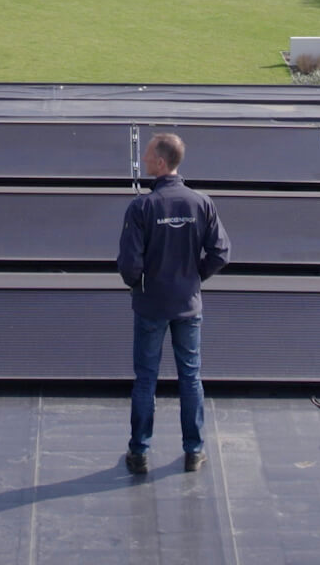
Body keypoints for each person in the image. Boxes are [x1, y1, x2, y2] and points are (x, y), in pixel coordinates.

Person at [117, 131, 230, 475]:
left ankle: (139, 453)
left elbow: (129, 265)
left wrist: (140, 285)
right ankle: (194, 451)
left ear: (161, 162)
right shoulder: (201, 203)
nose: (143, 158)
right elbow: (221, 252)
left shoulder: (142, 207)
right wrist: (194, 278)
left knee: (146, 379)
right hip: (187, 304)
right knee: (190, 378)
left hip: (152, 306)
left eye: (148, 154)